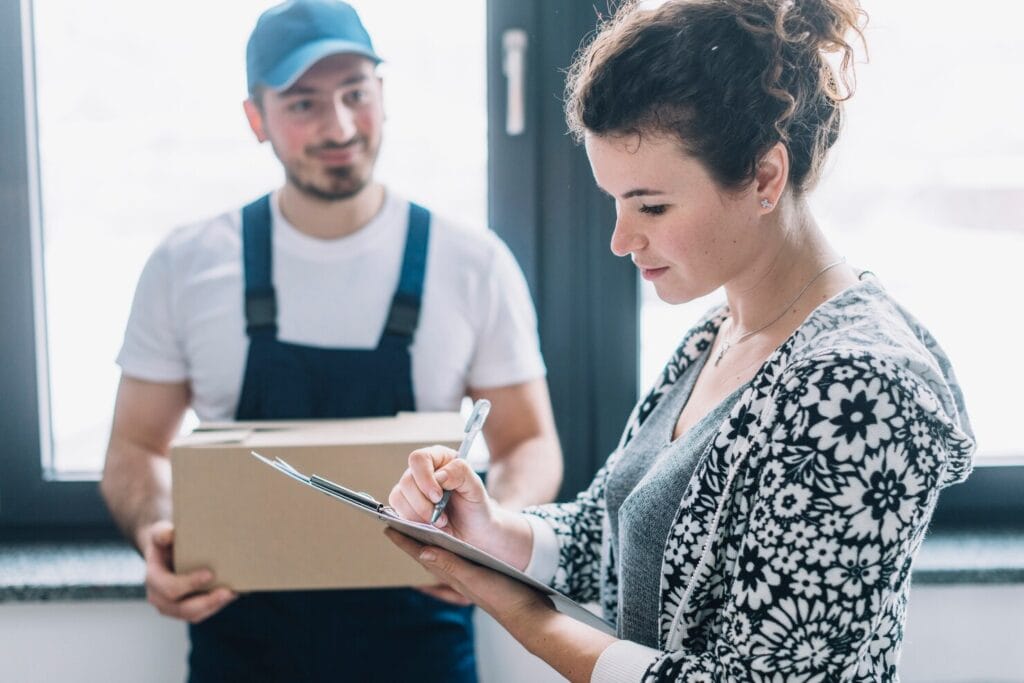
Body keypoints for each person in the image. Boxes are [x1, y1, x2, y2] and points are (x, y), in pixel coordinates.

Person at [384, 0, 976, 681]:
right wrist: (490, 529)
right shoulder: (718, 332)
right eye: (615, 202)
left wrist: (517, 609)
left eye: (652, 206)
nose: (620, 240)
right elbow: (617, 538)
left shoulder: (857, 388)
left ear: (764, 177)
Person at [99, 1, 563, 681]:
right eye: (304, 103)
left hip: (421, 647)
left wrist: (494, 534)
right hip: (241, 649)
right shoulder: (187, 265)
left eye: (356, 94)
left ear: (383, 96)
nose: (339, 125)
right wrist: (162, 536)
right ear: (256, 118)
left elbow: (527, 442)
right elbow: (134, 449)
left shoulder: (471, 264)